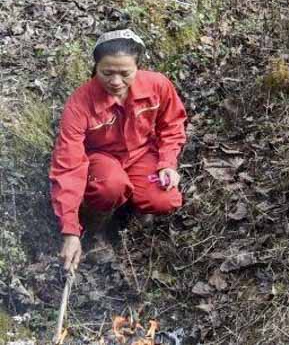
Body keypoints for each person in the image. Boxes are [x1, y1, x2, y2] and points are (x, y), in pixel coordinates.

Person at [50, 30, 187, 273]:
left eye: (125, 73)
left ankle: (133, 205)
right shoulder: (80, 103)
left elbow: (172, 125)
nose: (115, 81)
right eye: (107, 73)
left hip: (142, 154)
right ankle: (96, 228)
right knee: (109, 186)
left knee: (165, 199)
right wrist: (71, 230)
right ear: (96, 67)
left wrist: (167, 163)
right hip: (100, 161)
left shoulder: (158, 85)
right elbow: (68, 165)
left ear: (138, 66)